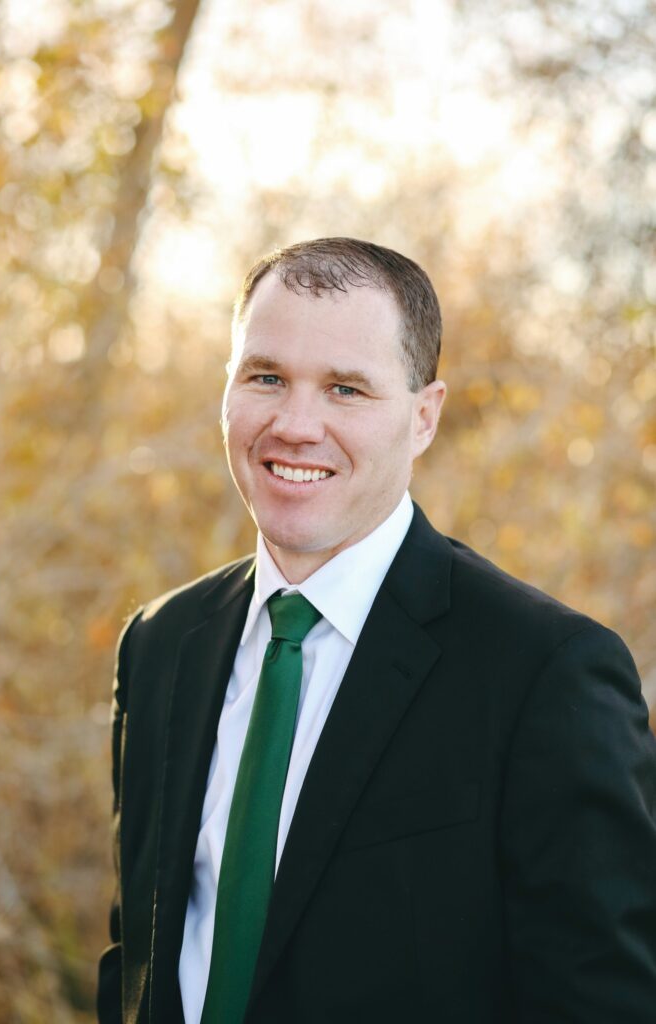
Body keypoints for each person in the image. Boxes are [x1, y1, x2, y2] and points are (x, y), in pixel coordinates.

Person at [97, 238, 656, 1024]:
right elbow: (137, 957)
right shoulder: (159, 644)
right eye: (266, 377)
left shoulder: (545, 674)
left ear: (423, 417)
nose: (295, 425)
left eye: (345, 389)